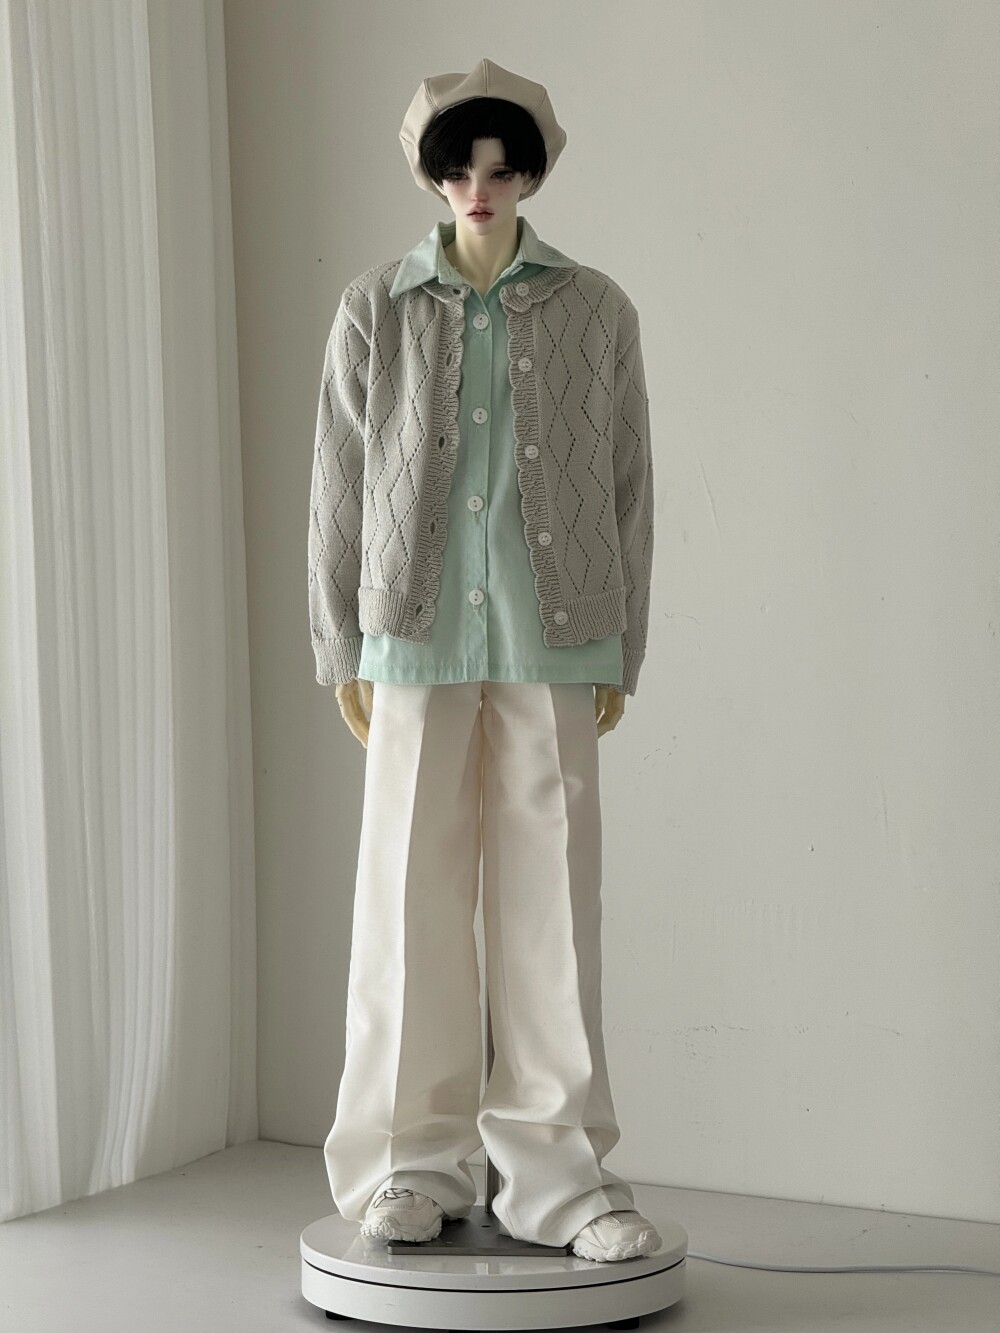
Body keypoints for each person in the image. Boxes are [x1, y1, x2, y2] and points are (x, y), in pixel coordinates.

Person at [307, 58, 659, 1263]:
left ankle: (561, 1180)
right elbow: (338, 486)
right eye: (460, 168)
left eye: (502, 169)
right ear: (432, 174)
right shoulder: (375, 306)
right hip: (408, 636)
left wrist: (623, 643)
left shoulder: (597, 308)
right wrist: (340, 643)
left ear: (531, 175)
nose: (480, 188)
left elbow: (628, 483)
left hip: (557, 633)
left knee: (551, 907)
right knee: (406, 900)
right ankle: (409, 1167)